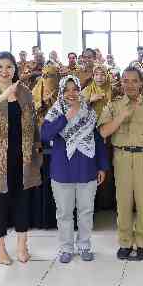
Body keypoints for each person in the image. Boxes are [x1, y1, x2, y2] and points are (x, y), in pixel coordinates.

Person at [0, 52, 43, 266]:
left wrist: (37, 149)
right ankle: (0, 248)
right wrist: (4, 96)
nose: (5, 71)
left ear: (15, 69)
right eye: (0, 67)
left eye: (9, 67)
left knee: (22, 202)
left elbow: (33, 121)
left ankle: (23, 246)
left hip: (23, 157)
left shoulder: (25, 92)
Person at [98, 66, 143, 260]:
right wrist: (121, 116)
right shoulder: (113, 105)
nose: (130, 84)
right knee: (123, 202)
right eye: (125, 81)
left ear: (141, 83)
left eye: (134, 81)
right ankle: (125, 242)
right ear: (121, 83)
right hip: (122, 157)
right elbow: (103, 132)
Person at [41, 75, 109, 263]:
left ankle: (85, 245)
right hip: (62, 171)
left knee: (86, 211)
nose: (71, 93)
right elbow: (45, 135)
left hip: (87, 170)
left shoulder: (89, 112)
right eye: (67, 90)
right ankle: (66, 248)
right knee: (64, 213)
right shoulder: (55, 112)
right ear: (61, 93)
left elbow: (98, 141)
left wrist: (102, 166)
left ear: (80, 91)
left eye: (75, 89)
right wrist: (66, 117)